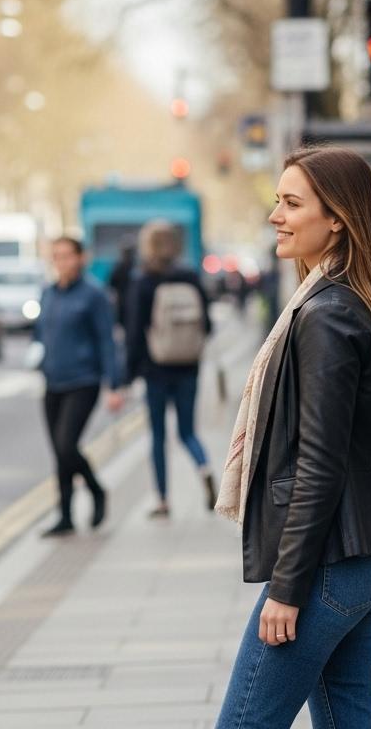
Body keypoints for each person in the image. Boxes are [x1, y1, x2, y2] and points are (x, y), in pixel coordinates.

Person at [214, 146, 371, 727]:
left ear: (337, 219)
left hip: (329, 563)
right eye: (277, 200)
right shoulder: (359, 302)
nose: (276, 214)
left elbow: (319, 465)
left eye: (292, 202)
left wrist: (287, 586)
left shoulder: (325, 315)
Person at [34, 237, 125, 537]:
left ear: (81, 258)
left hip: (83, 381)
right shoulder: (48, 293)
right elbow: (42, 334)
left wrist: (113, 385)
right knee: (59, 453)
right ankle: (65, 516)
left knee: (65, 444)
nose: (61, 262)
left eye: (66, 256)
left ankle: (97, 490)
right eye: (56, 256)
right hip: (53, 381)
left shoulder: (94, 295)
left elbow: (106, 340)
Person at [124, 220, 214, 518]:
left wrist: (130, 372)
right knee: (188, 431)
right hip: (189, 366)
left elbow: (135, 331)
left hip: (156, 368)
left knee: (159, 436)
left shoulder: (143, 281)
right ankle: (204, 467)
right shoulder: (189, 277)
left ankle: (163, 500)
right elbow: (208, 324)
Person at [108, 242, 137, 330]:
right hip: (123, 300)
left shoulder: (135, 266)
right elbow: (112, 284)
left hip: (131, 300)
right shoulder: (120, 266)